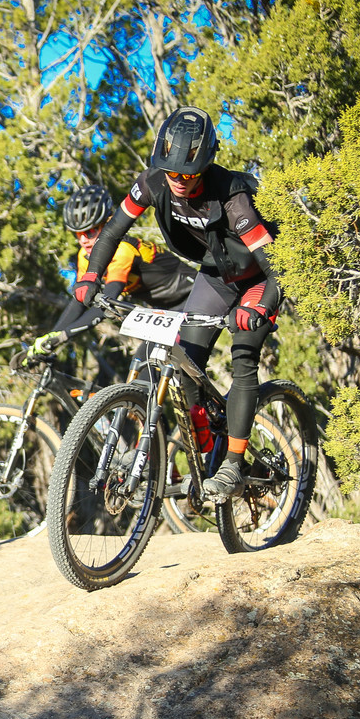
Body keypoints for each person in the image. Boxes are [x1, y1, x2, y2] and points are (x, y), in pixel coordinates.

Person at [75, 106, 283, 503]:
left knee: (243, 357)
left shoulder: (233, 197)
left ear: (205, 166)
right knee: (186, 362)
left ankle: (233, 466)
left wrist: (259, 308)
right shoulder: (152, 181)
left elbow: (277, 267)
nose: (179, 181)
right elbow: (113, 231)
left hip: (260, 277)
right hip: (216, 274)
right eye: (172, 173)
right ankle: (208, 452)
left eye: (189, 174)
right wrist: (90, 276)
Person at [26, 183, 197, 363]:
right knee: (142, 364)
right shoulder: (84, 256)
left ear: (107, 225)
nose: (84, 240)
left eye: (90, 232)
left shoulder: (122, 250)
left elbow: (105, 306)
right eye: (78, 234)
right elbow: (80, 301)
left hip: (191, 296)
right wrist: (49, 338)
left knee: (177, 360)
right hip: (163, 309)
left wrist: (62, 336)